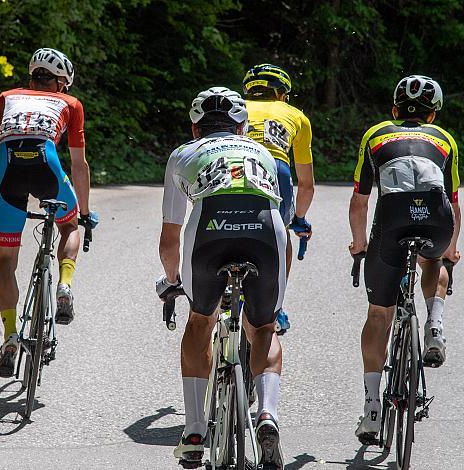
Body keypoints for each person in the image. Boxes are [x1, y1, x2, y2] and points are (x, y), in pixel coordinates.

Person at [157, 87, 287, 468]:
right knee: (264, 328)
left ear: (195, 128)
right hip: (265, 231)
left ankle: (196, 430)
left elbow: (170, 236)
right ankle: (267, 415)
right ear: (243, 127)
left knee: (200, 321)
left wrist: (172, 280)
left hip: (209, 229)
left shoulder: (183, 153)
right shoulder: (262, 152)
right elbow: (280, 220)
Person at [349, 75, 462, 443]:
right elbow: (454, 203)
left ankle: (371, 409)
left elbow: (360, 200)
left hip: (392, 216)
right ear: (433, 115)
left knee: (378, 313)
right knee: (435, 260)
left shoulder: (376, 134)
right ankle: (434, 325)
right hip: (437, 215)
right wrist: (451, 250)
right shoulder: (445, 139)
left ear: (395, 111)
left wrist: (359, 245)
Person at [0, 48, 96, 378]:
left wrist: (6, 193)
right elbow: (78, 164)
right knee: (69, 227)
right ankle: (64, 285)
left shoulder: (7, 97)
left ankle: (10, 336)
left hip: (8, 174)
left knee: (6, 262)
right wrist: (86, 212)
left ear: (32, 76)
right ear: (62, 83)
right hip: (47, 167)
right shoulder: (70, 103)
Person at [242, 63, 315, 334]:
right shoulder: (296, 116)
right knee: (280, 235)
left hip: (232, 168)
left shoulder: (235, 107)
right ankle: (277, 305)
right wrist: (298, 219)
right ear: (282, 94)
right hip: (275, 171)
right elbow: (306, 185)